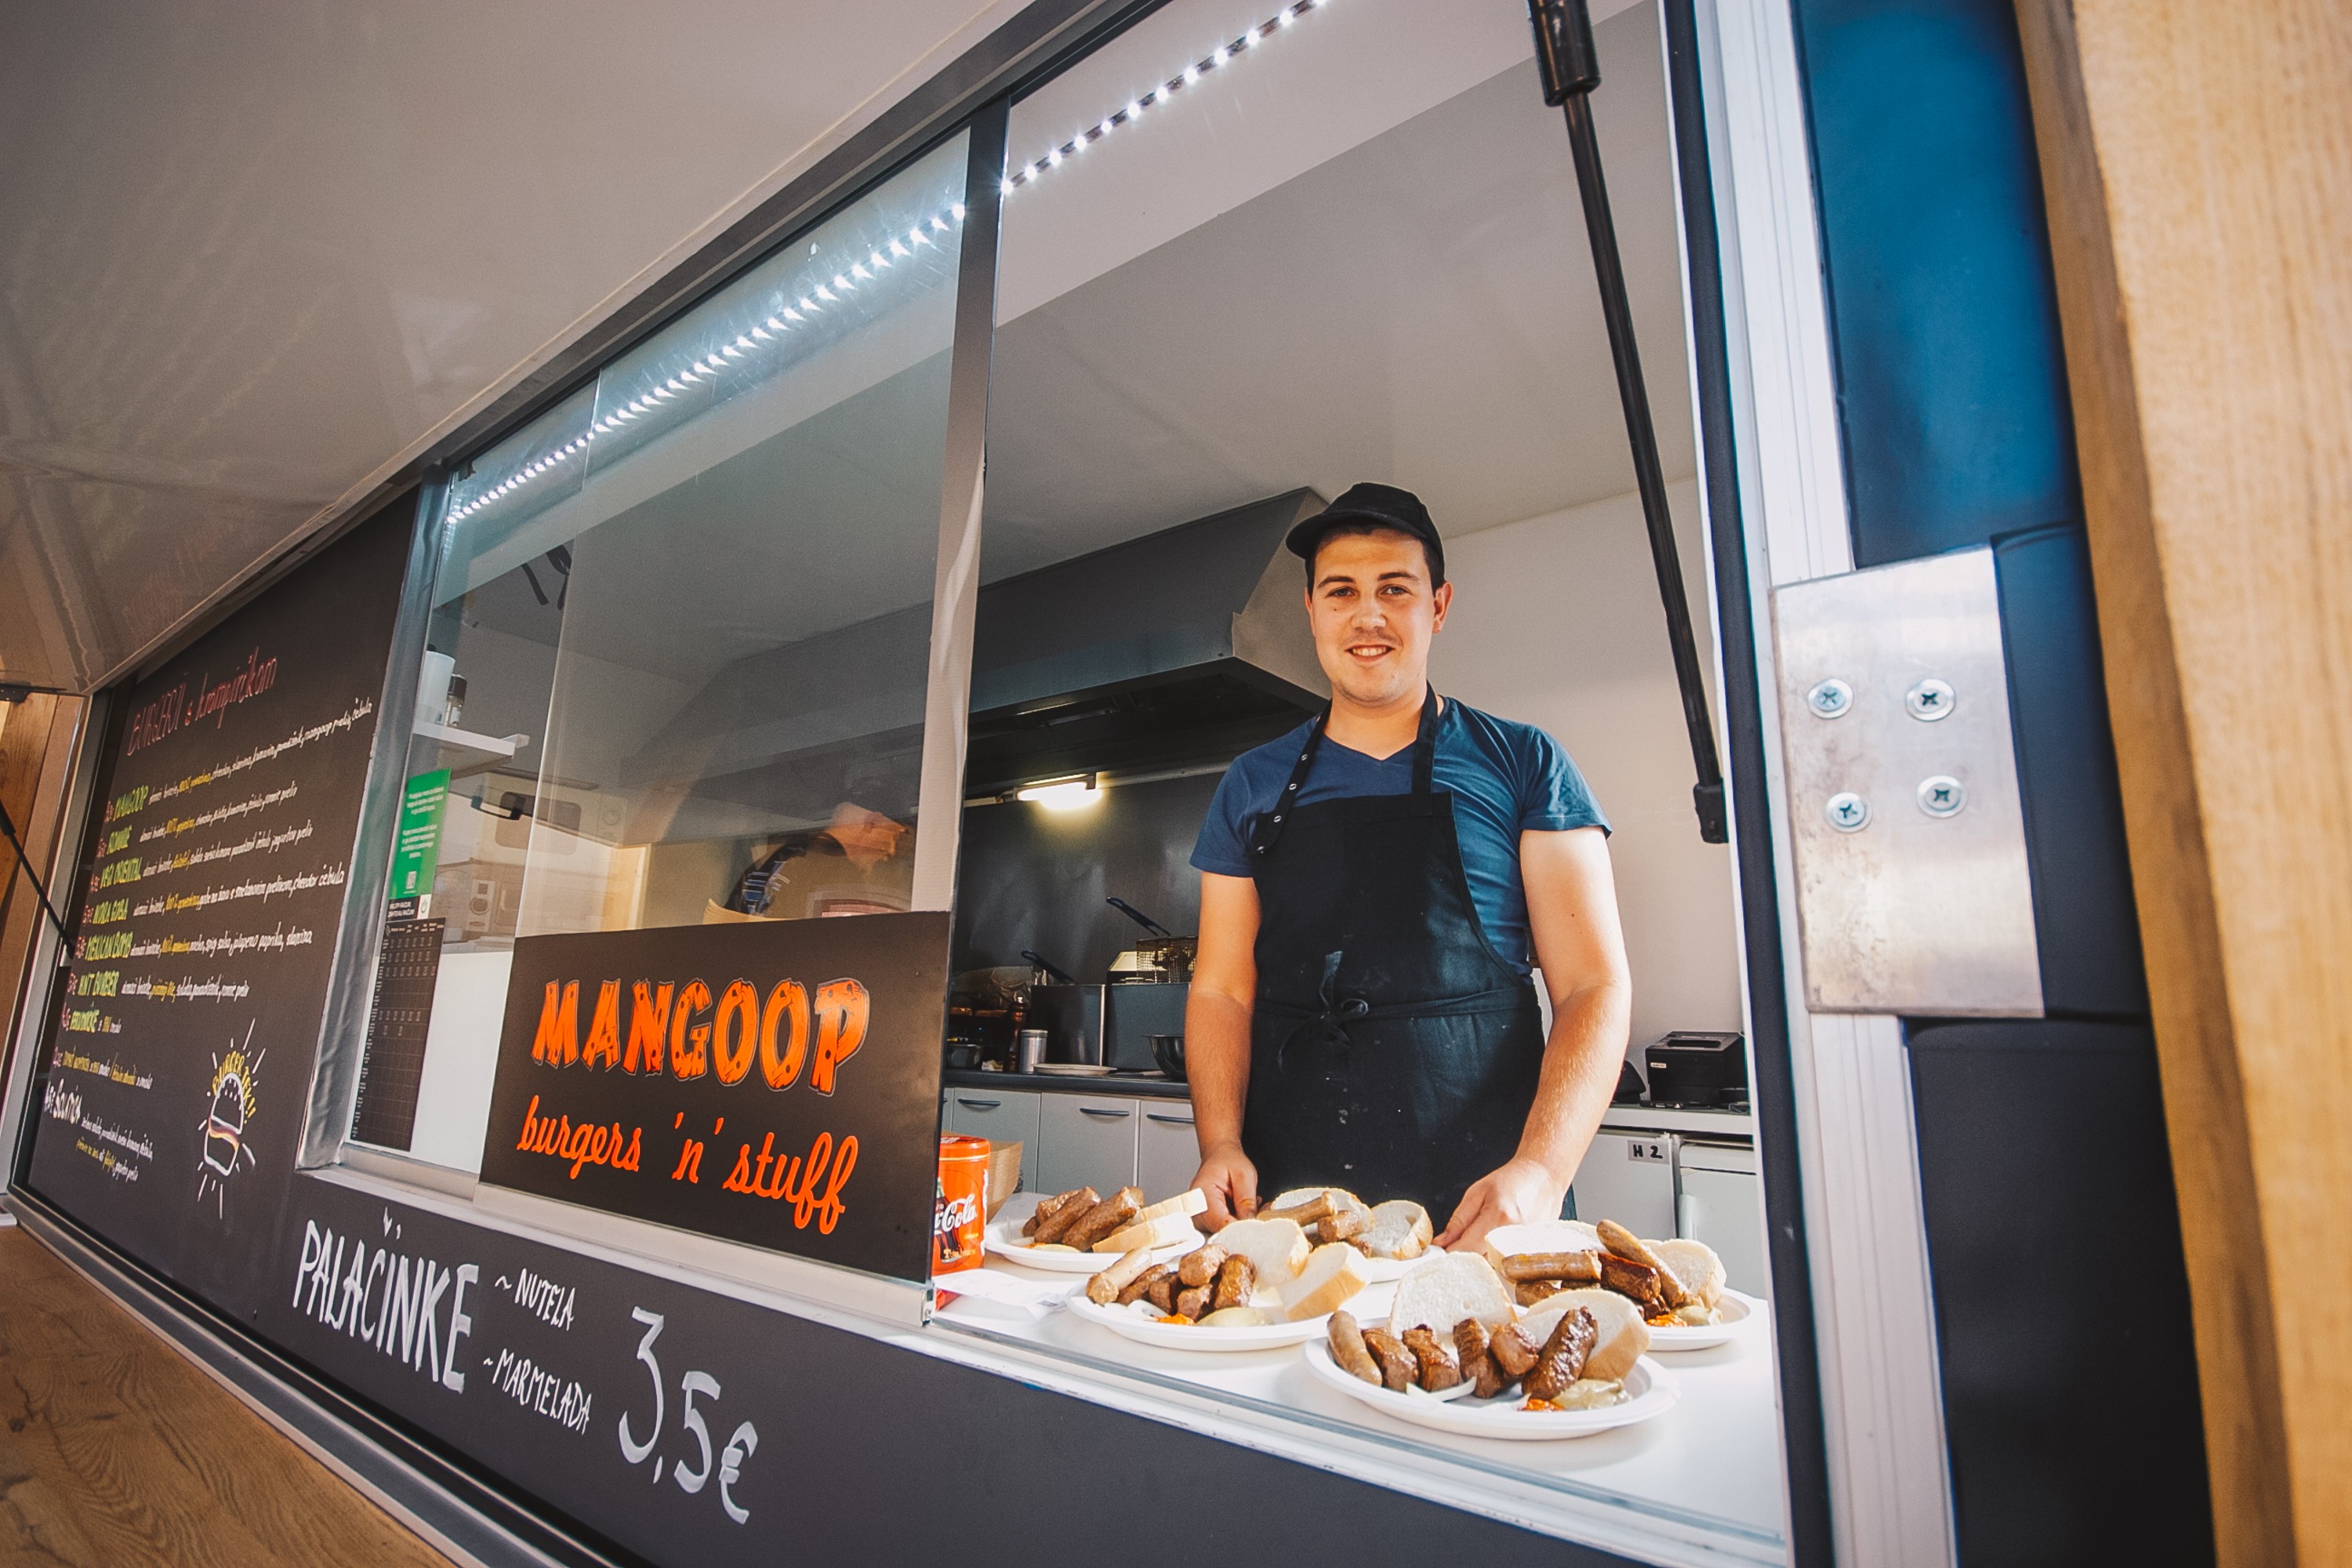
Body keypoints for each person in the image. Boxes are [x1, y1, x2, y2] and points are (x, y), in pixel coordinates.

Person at [1183, 484, 1631, 1251]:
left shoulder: (1525, 762)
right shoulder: (1251, 783)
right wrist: (1219, 1142)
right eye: (1341, 591)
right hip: (1291, 1203)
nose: (1368, 616)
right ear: (1311, 609)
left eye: (1395, 589)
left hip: (1484, 1205)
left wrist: (1542, 1171)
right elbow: (1222, 988)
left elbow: (1593, 986)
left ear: (1439, 605)